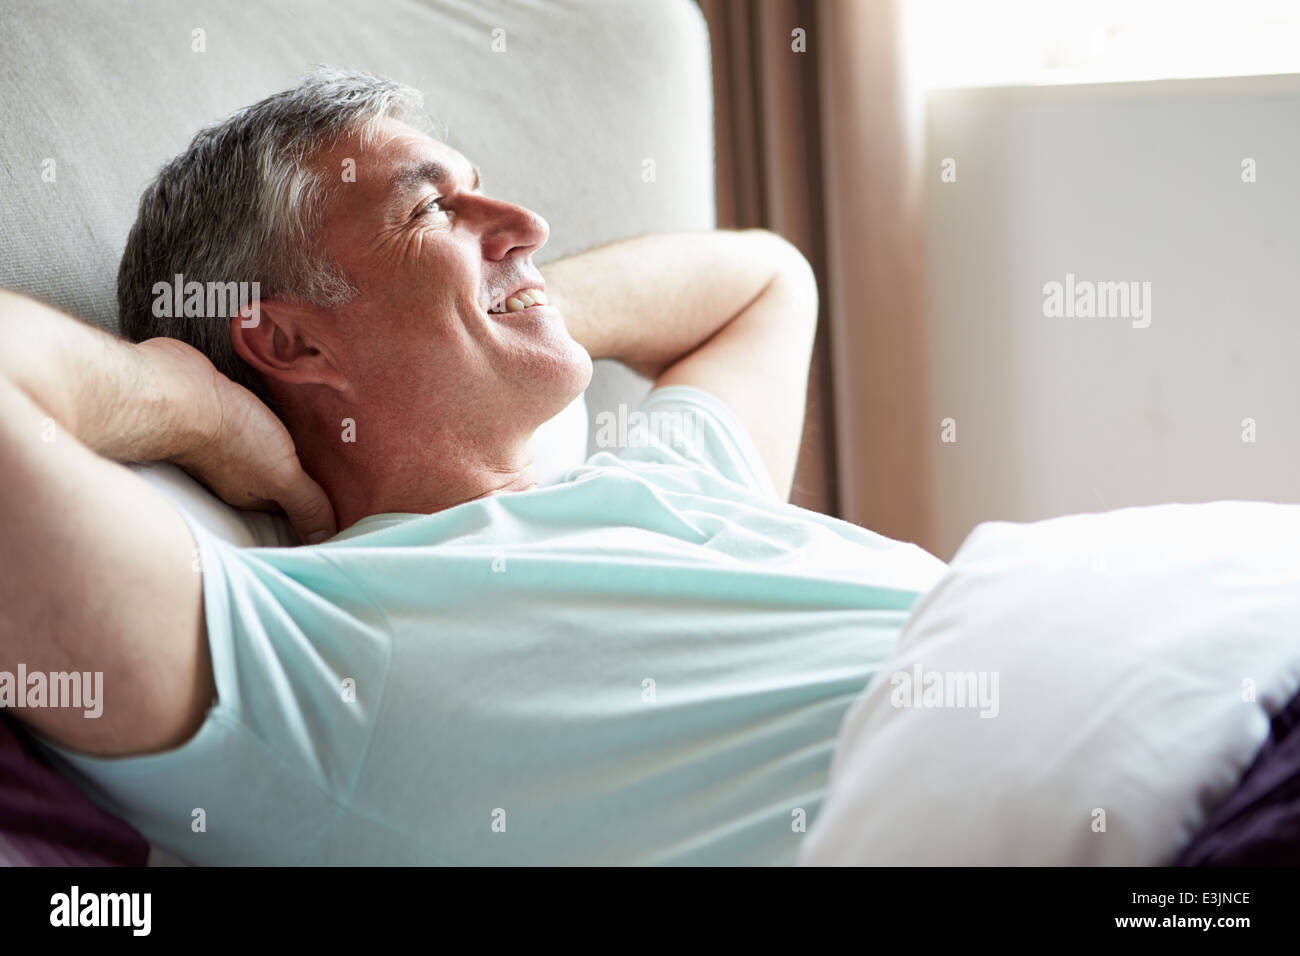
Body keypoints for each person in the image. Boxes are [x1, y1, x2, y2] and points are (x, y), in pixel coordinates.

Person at [0, 69, 946, 865]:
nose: (527, 219)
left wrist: (515, 303)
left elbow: (766, 279)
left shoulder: (662, 478)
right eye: (431, 207)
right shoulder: (308, 650)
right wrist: (197, 408)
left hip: (1049, 628)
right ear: (288, 339)